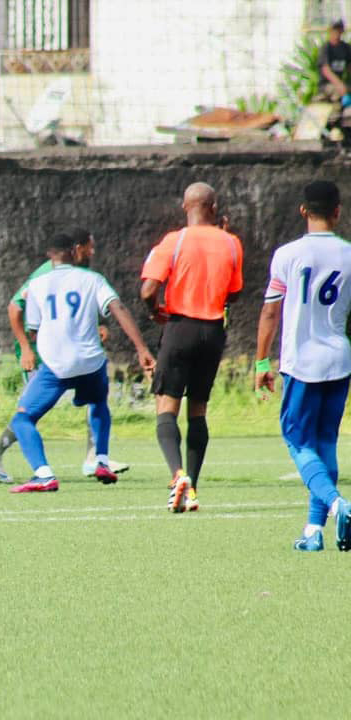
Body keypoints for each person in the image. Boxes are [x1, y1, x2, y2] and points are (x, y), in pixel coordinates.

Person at [0, 228, 130, 483]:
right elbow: (15, 307)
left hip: (65, 351)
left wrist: (97, 326)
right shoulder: (45, 274)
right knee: (29, 412)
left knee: (94, 396)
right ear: (76, 249)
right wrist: (26, 348)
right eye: (90, 247)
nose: (92, 252)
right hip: (42, 352)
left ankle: (94, 458)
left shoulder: (78, 275)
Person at [8, 232, 155, 493]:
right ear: (74, 251)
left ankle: (43, 474)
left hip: (56, 366)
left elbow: (33, 330)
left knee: (22, 419)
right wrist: (141, 348)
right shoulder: (92, 279)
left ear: (50, 255)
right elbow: (119, 309)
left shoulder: (37, 285)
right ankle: (101, 460)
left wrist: (37, 345)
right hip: (90, 363)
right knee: (98, 403)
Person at [255, 180, 351, 552]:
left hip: (301, 361)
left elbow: (270, 311)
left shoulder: (287, 254)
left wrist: (262, 361)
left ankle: (338, 504)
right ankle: (313, 531)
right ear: (337, 212)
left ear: (303, 211)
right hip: (339, 359)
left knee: (297, 440)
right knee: (326, 441)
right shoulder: (348, 254)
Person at [141, 182, 243, 513]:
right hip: (213, 332)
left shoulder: (174, 240)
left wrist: (154, 311)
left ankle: (177, 475)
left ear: (186, 207)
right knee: (198, 409)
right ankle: (193, 490)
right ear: (214, 207)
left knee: (166, 405)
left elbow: (147, 290)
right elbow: (234, 292)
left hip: (180, 328)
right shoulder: (231, 243)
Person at [319, 20, 351, 131]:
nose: (337, 33)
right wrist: (339, 85)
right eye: (335, 30)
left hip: (341, 84)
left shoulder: (346, 48)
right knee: (337, 93)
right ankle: (334, 125)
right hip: (326, 85)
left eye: (339, 30)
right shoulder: (326, 48)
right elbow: (326, 70)